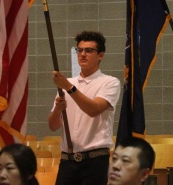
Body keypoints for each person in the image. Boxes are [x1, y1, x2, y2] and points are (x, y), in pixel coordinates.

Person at [49, 31, 121, 185]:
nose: (82, 54)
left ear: (101, 55)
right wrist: (57, 109)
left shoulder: (109, 82)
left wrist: (68, 87)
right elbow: (53, 126)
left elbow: (94, 109)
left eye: (89, 50)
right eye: (79, 50)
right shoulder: (66, 83)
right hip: (67, 160)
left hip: (94, 161)